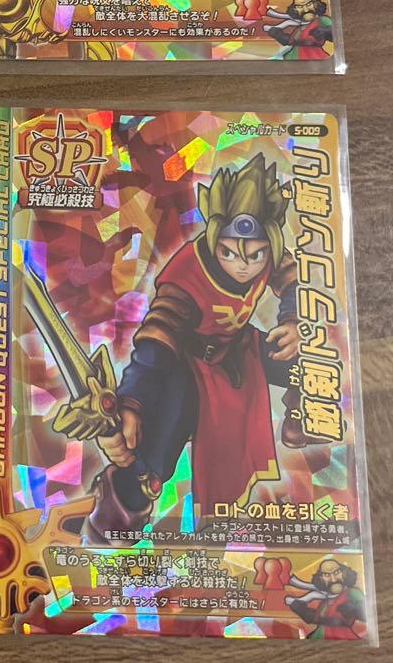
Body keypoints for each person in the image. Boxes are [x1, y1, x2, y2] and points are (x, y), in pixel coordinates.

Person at [87, 154, 317, 541]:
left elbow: (293, 279)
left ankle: (301, 412)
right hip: (186, 367)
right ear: (214, 240)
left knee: (309, 360)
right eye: (229, 253)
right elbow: (156, 343)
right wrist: (131, 402)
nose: (243, 266)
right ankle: (112, 519)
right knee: (154, 457)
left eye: (255, 255)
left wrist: (293, 320)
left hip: (239, 353)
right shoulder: (187, 277)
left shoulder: (270, 252)